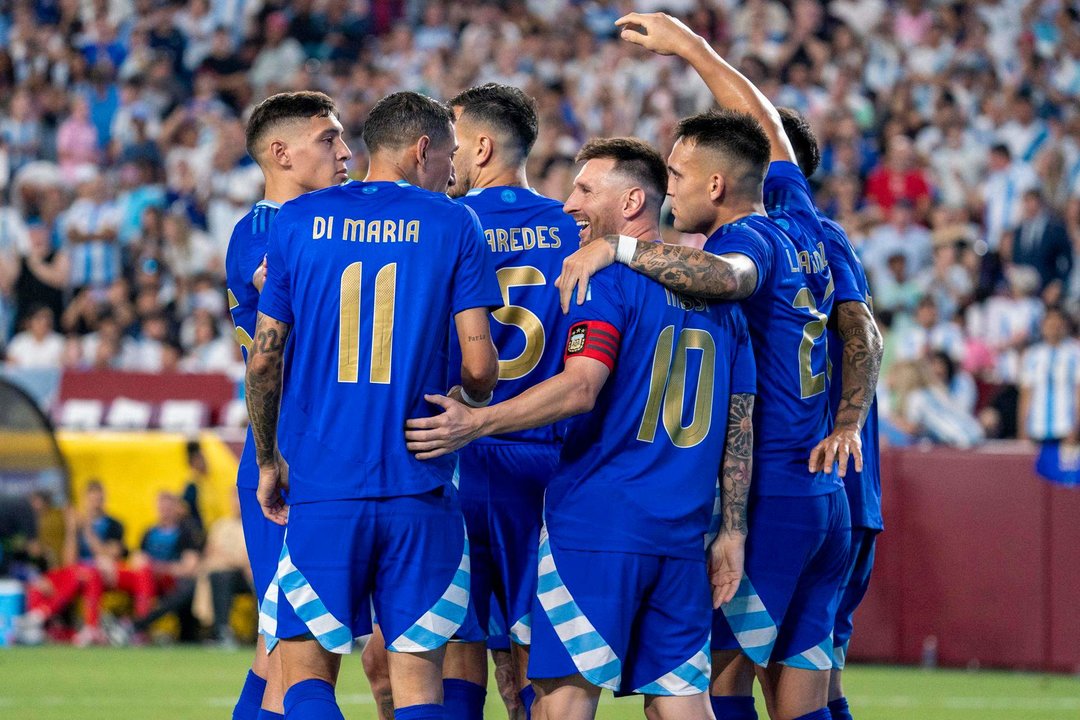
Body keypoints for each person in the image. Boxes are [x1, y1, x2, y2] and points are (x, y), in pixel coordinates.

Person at [557, 14, 854, 720]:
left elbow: (727, 278)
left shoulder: (749, 237)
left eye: (680, 175)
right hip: (825, 502)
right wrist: (691, 48)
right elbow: (768, 132)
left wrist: (619, 251)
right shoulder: (802, 218)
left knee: (714, 693)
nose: (668, 187)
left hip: (773, 494)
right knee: (805, 697)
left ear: (719, 186)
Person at [404, 136, 756, 720]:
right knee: (683, 704)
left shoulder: (608, 280)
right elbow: (739, 423)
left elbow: (580, 386)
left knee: (561, 702)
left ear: (633, 202)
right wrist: (733, 531)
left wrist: (477, 422)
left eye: (587, 189)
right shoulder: (725, 305)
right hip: (682, 531)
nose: (569, 203)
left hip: (598, 524)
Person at [247, 90, 501, 720]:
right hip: (419, 481)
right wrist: (471, 403)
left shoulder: (298, 220)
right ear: (422, 149)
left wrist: (268, 459)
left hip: (324, 486)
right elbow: (479, 367)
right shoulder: (453, 222)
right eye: (448, 154)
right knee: (417, 681)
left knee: (304, 672)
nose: (453, 170)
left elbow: (264, 359)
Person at [444, 82, 580, 720]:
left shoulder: (443, 223)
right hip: (545, 459)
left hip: (458, 451)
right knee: (530, 653)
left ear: (481, 144)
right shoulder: (572, 229)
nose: (447, 153)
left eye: (453, 138)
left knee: (450, 638)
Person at [224, 90, 353, 720]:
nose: (346, 152)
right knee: (290, 653)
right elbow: (301, 293)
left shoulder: (322, 223)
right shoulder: (261, 232)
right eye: (328, 139)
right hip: (285, 456)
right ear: (281, 153)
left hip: (324, 453)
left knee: (276, 650)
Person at [777, 108, 885, 720]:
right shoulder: (804, 243)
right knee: (814, 679)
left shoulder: (811, 237)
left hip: (816, 487)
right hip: (839, 492)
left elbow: (863, 331)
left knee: (739, 672)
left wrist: (845, 426)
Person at [1018, 307, 1080, 445]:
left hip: (1065, 428)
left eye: (1057, 324)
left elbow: (1078, 393)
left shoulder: (1075, 353)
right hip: (1037, 428)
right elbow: (1026, 395)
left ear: (1064, 325)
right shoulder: (1032, 355)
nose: (1053, 328)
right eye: (1049, 324)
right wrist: (1022, 429)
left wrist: (1076, 428)